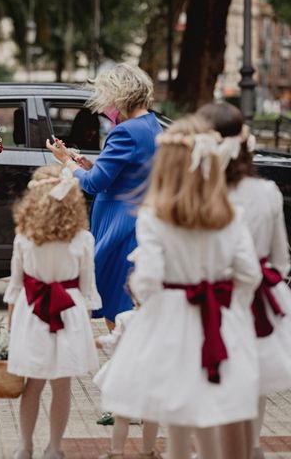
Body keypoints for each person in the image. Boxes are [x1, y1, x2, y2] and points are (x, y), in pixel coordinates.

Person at [96, 115, 262, 459]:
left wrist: (145, 291)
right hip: (218, 323)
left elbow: (148, 279)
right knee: (209, 416)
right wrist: (226, 299)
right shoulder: (230, 214)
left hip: (171, 327)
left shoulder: (155, 218)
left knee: (177, 417)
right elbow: (249, 273)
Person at [198, 102, 291, 459]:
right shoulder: (266, 193)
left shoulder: (195, 196)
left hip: (202, 301)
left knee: (207, 378)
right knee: (254, 380)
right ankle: (249, 447)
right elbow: (280, 260)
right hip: (252, 299)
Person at [46, 63, 162, 331]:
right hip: (138, 217)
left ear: (119, 94)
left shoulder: (124, 131)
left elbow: (94, 184)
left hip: (119, 225)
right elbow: (131, 171)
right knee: (127, 299)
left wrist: (68, 162)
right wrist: (89, 165)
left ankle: (124, 363)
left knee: (115, 301)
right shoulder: (152, 124)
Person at [4, 165, 101, 459]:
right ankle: (54, 447)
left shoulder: (24, 236)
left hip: (31, 313)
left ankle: (24, 446)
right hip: (69, 314)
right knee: (62, 385)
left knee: (32, 385)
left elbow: (15, 286)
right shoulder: (83, 239)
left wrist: (10, 324)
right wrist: (84, 326)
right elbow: (87, 290)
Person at [94, 309, 161, 458]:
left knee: (122, 414)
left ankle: (116, 451)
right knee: (151, 414)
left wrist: (99, 341)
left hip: (128, 372)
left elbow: (114, 342)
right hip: (152, 372)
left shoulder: (125, 317)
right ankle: (147, 451)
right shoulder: (162, 318)